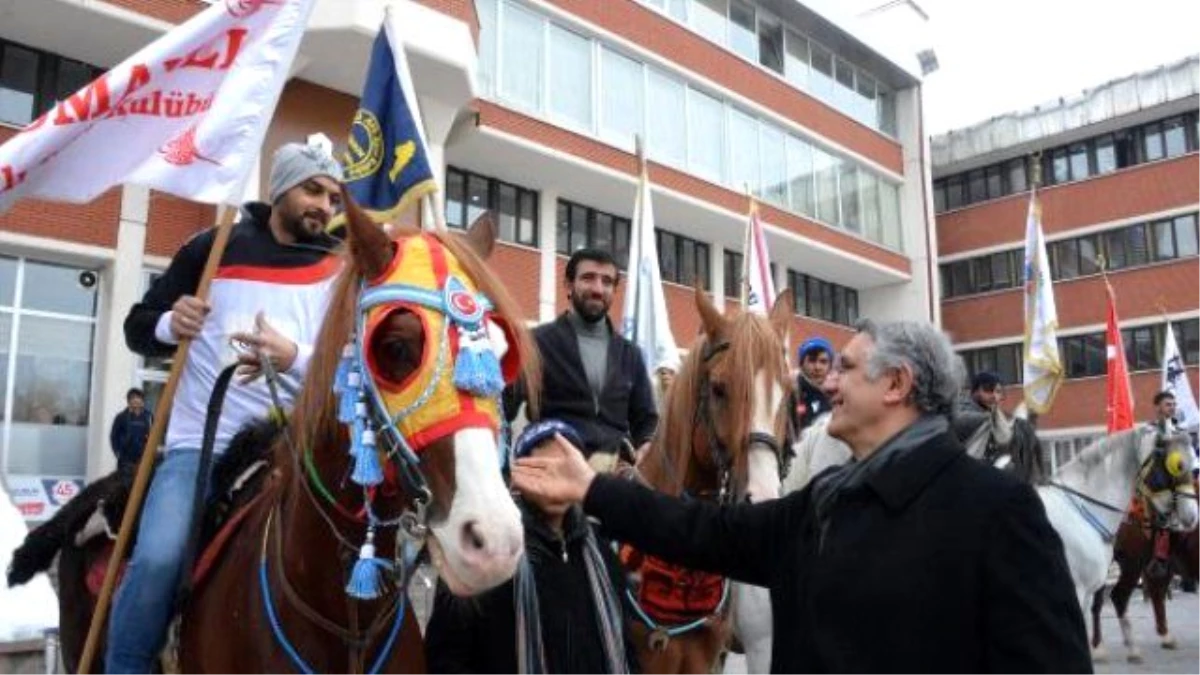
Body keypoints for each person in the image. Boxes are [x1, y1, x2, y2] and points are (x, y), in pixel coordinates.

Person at [513, 319, 1091, 675]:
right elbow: (706, 533)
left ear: (896, 385)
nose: (826, 383)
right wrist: (591, 488)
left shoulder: (998, 510)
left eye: (846, 369)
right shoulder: (827, 498)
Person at [106, 142, 344, 674]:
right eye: (313, 190)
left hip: (297, 450)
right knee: (160, 558)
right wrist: (173, 322)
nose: (325, 206)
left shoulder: (339, 266)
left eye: (332, 197)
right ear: (280, 188)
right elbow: (136, 329)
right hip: (203, 447)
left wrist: (293, 357)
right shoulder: (211, 248)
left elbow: (352, 365)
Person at [424, 420, 640, 675]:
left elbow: (625, 641)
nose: (555, 480)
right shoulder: (487, 553)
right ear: (517, 477)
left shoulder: (601, 550)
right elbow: (446, 657)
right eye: (541, 467)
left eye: (565, 470)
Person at [504, 248, 657, 471]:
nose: (597, 289)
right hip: (553, 468)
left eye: (606, 282)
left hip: (616, 472)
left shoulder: (630, 354)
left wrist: (646, 444)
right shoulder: (535, 342)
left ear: (615, 290)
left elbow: (646, 420)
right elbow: (504, 406)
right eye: (588, 278)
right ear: (568, 284)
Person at [792, 337, 834, 433]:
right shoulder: (791, 394)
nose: (817, 367)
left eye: (823, 362)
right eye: (812, 361)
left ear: (830, 366)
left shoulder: (836, 398)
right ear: (801, 364)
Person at [109, 388, 153, 475]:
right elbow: (113, 436)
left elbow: (154, 434)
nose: (136, 400)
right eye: (133, 398)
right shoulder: (121, 417)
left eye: (139, 398)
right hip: (126, 459)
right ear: (129, 401)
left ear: (142, 401)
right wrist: (118, 453)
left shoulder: (149, 417)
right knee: (124, 484)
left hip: (143, 458)